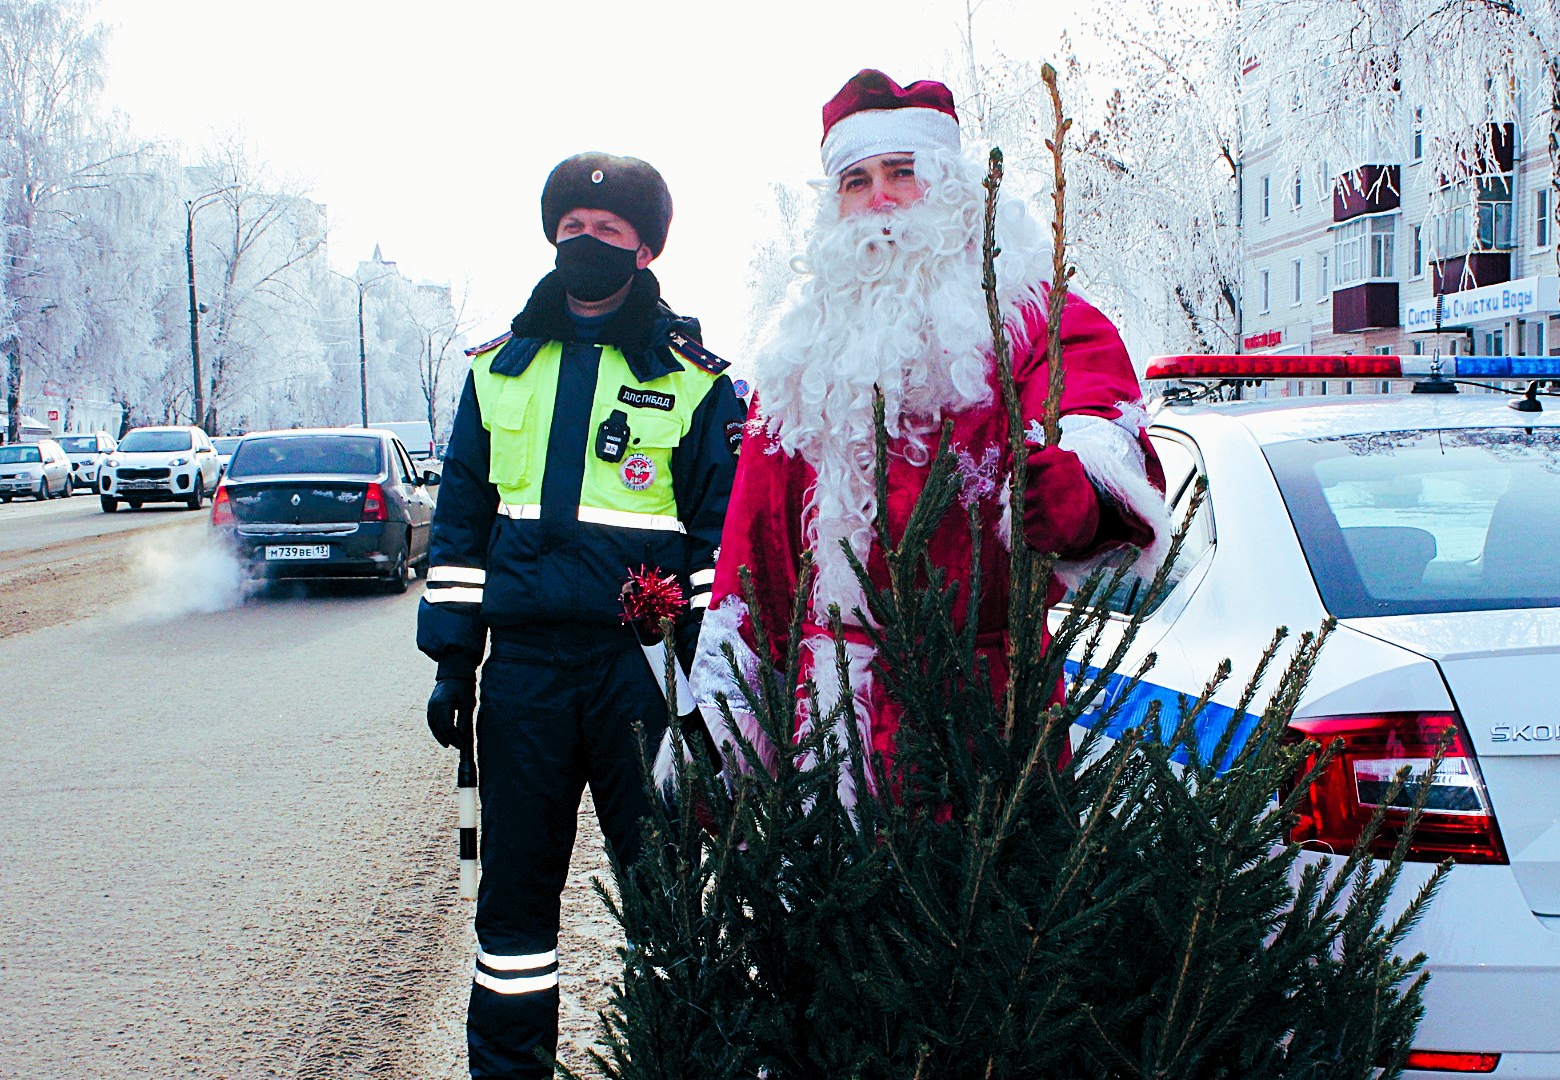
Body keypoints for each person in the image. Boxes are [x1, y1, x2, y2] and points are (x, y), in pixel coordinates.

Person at [684, 71, 1168, 806]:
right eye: (856, 180)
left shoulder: (1031, 314)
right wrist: (731, 722)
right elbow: (757, 549)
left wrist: (1082, 493)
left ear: (949, 187)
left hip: (989, 717)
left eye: (901, 174)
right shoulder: (800, 352)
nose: (878, 199)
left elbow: (1102, 424)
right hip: (829, 727)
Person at [417, 152, 743, 1078]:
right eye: (571, 230)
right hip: (522, 675)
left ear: (644, 250)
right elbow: (460, 527)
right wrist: (452, 664)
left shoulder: (695, 380)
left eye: (607, 233)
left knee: (671, 898)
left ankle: (678, 1062)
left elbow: (720, 548)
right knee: (513, 917)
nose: (585, 243)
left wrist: (713, 692)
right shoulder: (497, 372)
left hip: (641, 678)